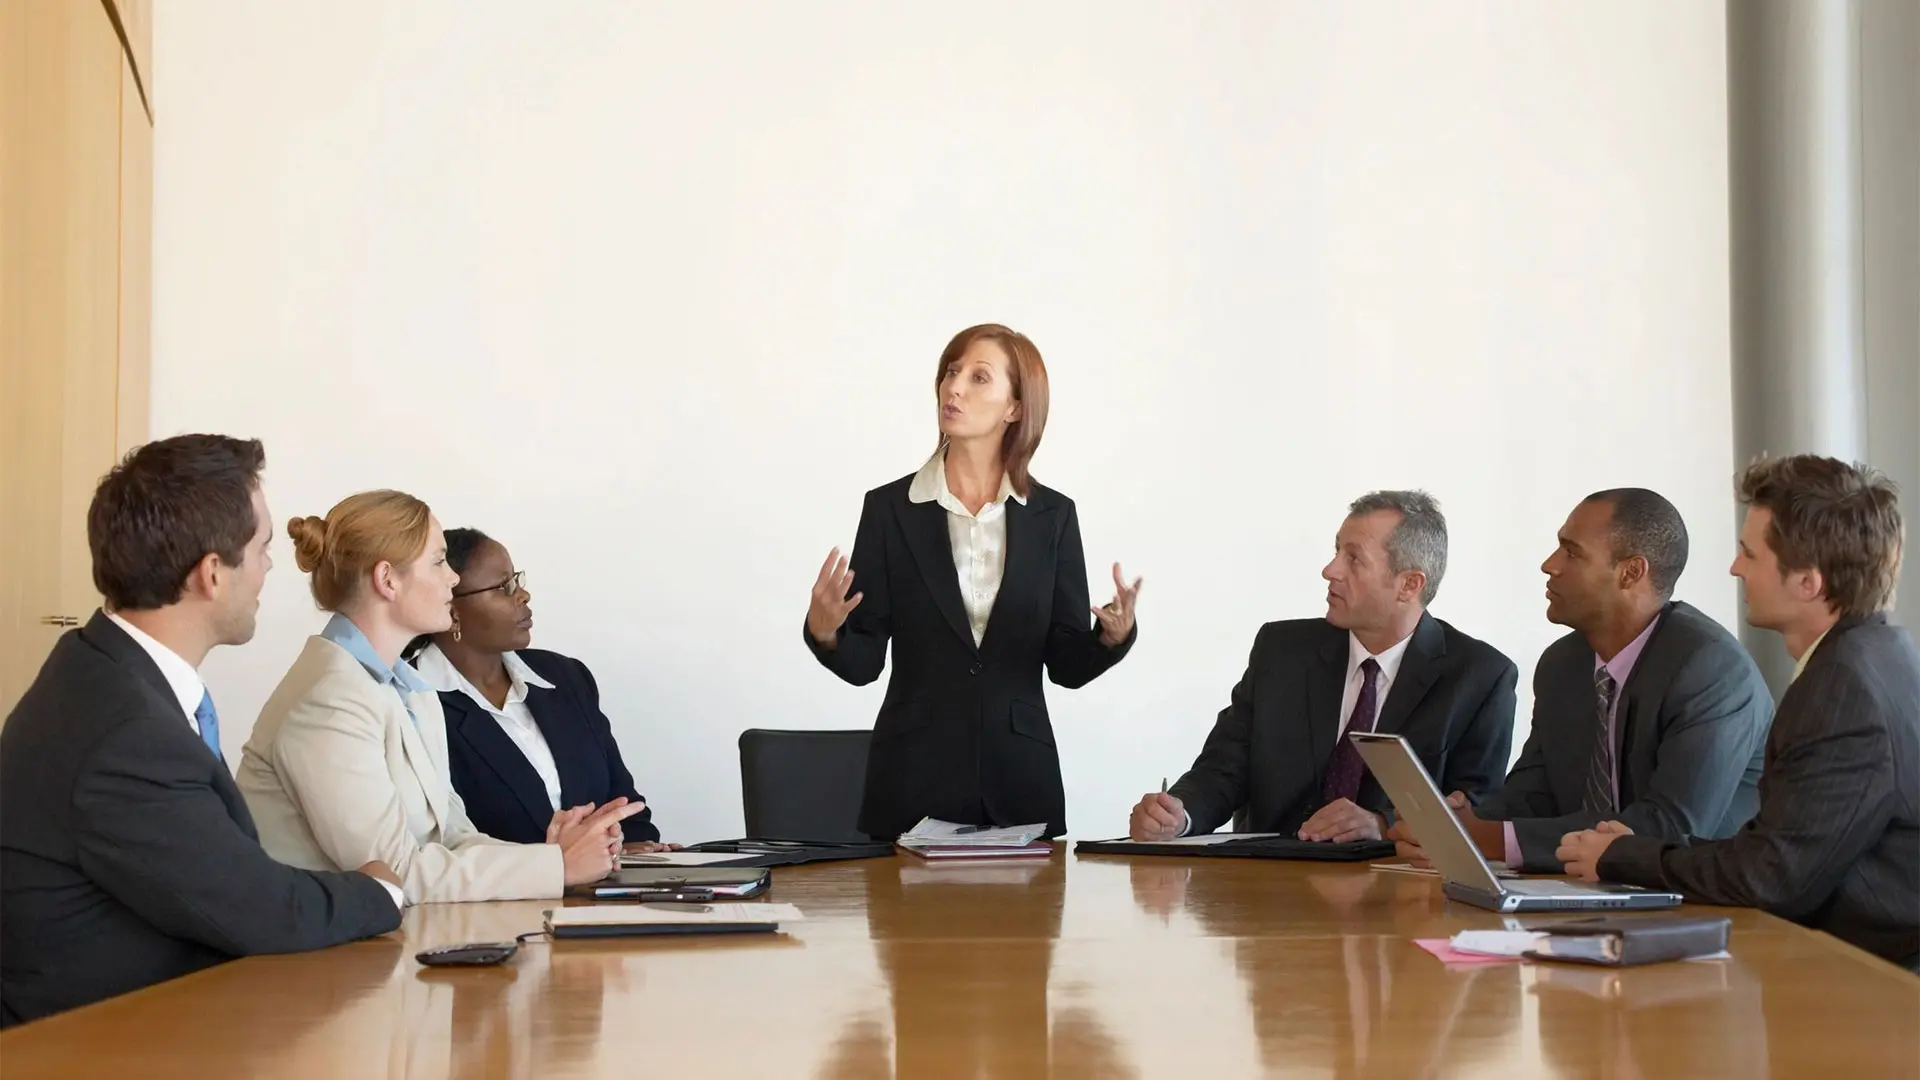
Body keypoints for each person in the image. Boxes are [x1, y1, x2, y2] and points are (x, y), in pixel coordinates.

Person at [0, 435, 403, 1026]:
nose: (269, 567)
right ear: (212, 573)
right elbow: (258, 910)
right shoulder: (124, 732)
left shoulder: (102, 670)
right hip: (90, 1049)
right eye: (262, 548)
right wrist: (380, 890)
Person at [1561, 456, 1918, 971]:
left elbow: (1773, 877)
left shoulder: (1844, 688)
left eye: (1750, 554)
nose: (1734, 568)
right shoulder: (1875, 654)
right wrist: (1638, 848)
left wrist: (1623, 858)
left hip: (1872, 995)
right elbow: (1778, 849)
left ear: (1808, 583)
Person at [804, 323, 1141, 839]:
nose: (954, 387)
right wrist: (826, 631)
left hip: (1021, 784)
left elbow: (1066, 664)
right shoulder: (891, 510)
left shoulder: (1052, 516)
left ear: (1016, 407)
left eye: (979, 377)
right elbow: (865, 661)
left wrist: (1112, 637)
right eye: (951, 372)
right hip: (911, 784)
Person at [237, 490, 642, 903]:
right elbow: (391, 877)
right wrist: (557, 867)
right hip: (315, 963)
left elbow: (455, 837)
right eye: (438, 561)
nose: (452, 577)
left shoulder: (405, 690)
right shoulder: (327, 700)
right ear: (387, 580)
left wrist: (557, 857)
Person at [1389, 489, 1773, 871]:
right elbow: (1533, 794)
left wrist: (1488, 840)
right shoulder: (1562, 665)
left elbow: (1670, 828)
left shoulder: (1710, 669)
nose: (1549, 564)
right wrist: (1453, 824)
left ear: (1631, 572)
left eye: (1571, 552)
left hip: (1711, 909)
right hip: (1588, 893)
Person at [1129, 491, 1518, 843]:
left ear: (1409, 585)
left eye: (1353, 558)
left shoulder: (1480, 676)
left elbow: (1476, 808)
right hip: (1267, 890)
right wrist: (1180, 814)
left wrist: (1381, 825)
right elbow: (1224, 768)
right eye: (1336, 551)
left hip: (1396, 896)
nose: (1330, 570)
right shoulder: (1281, 651)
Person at [406, 528, 671, 851]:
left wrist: (635, 850)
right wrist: (561, 863)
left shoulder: (566, 677)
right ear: (452, 607)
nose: (523, 596)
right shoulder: (411, 700)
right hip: (497, 898)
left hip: (610, 891)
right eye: (505, 587)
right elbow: (440, 845)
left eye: (517, 581)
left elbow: (625, 807)